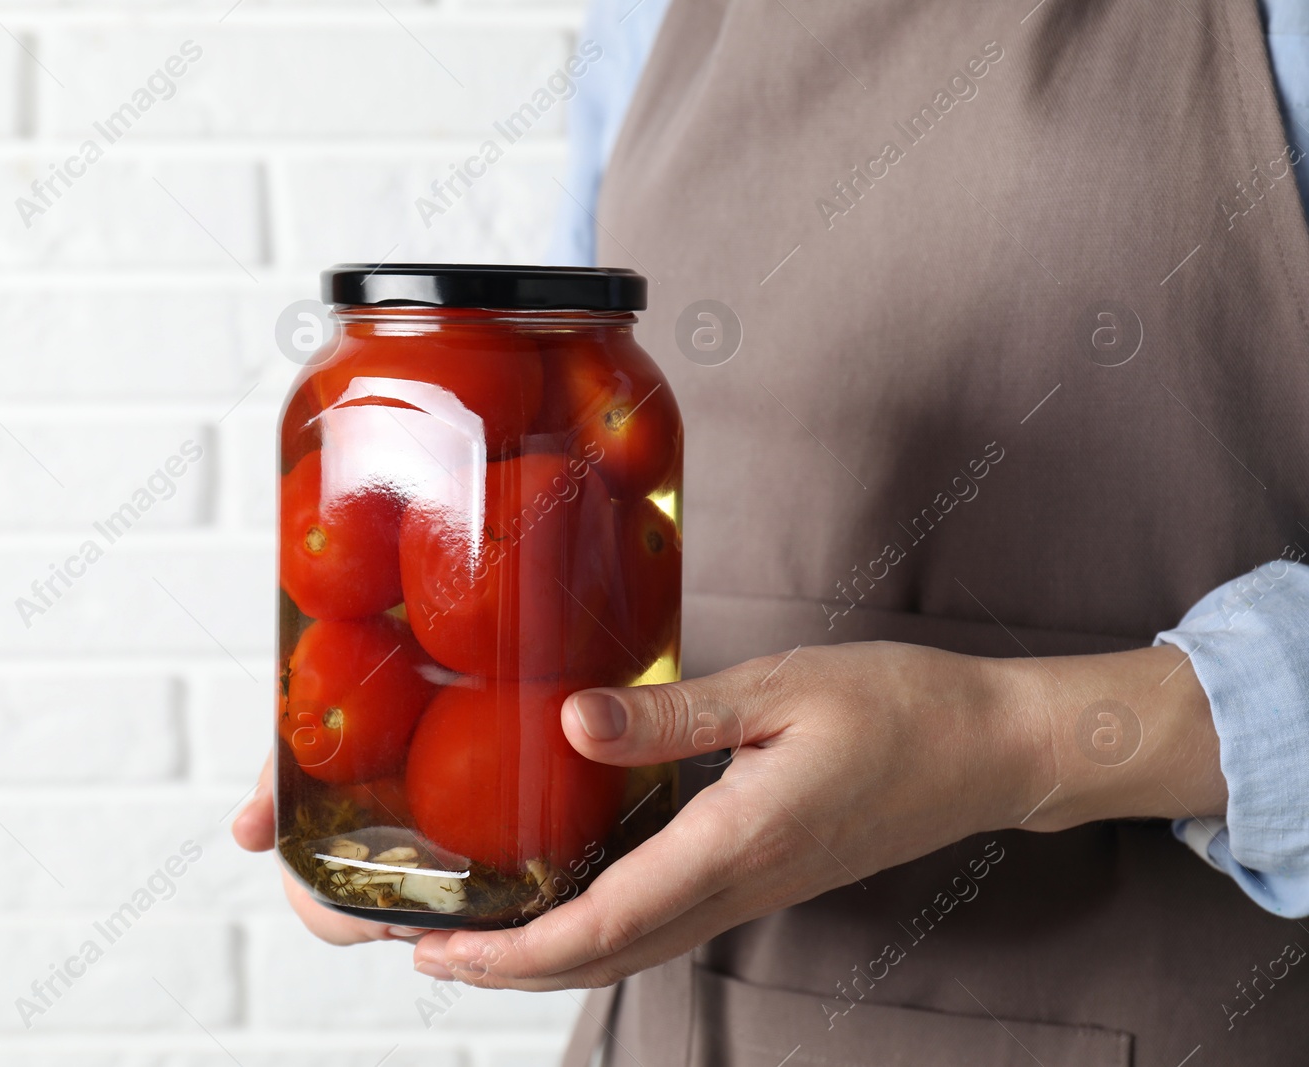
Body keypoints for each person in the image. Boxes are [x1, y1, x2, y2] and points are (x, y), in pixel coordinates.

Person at [236, 0, 1309, 1061]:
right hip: (670, 1024)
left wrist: (1008, 737)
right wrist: (395, 739)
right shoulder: (643, 13)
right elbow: (548, 448)